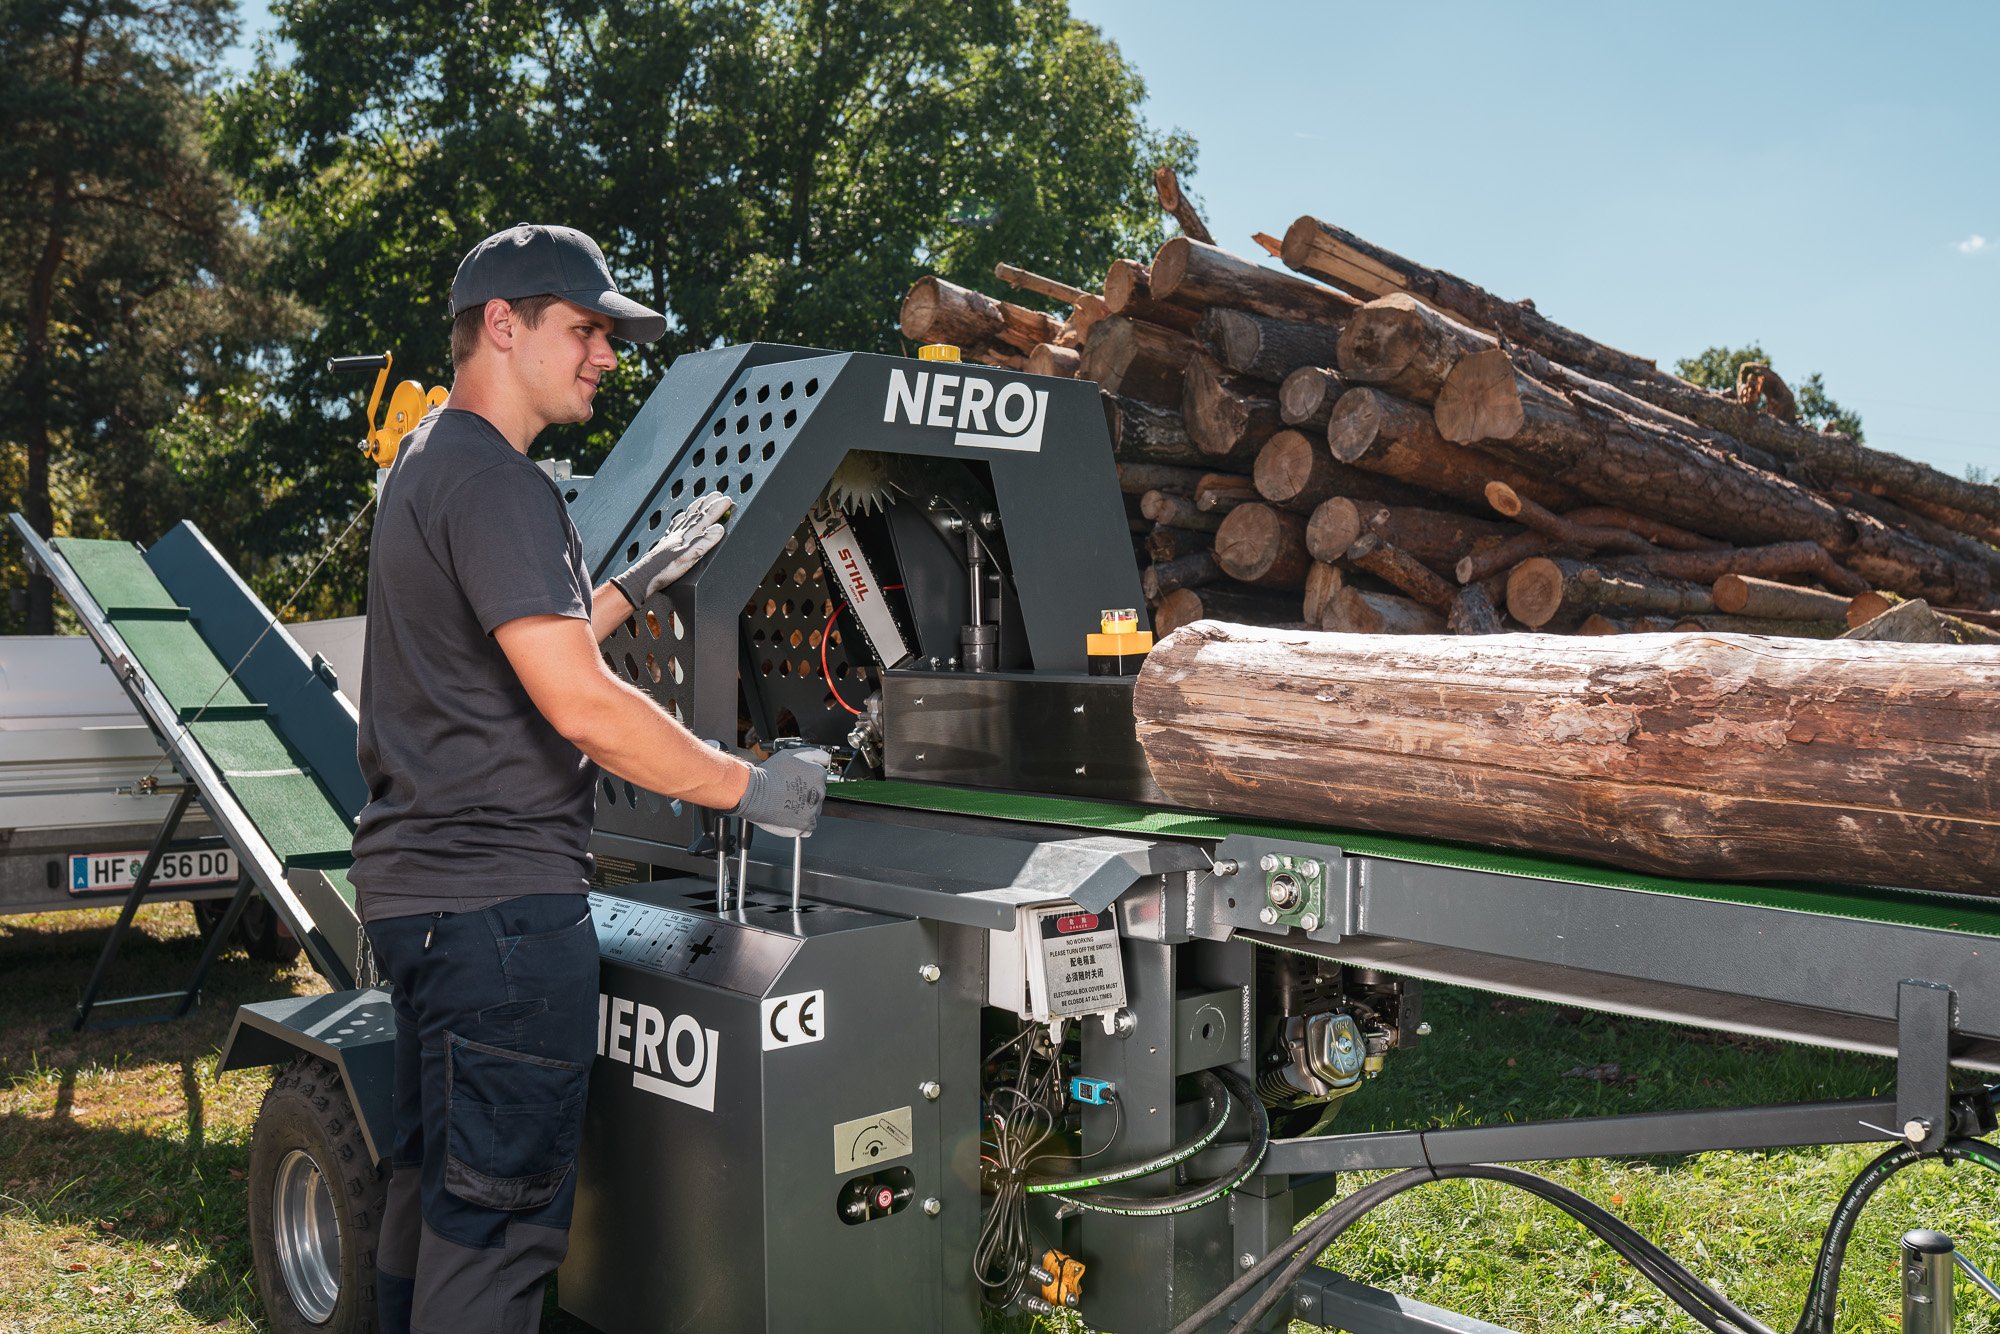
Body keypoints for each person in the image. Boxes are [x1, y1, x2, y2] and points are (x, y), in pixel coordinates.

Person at [349, 223, 825, 1334]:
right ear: (501, 326)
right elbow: (580, 704)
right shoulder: (499, 484)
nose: (605, 355)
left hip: (424, 907)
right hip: (502, 920)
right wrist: (744, 786)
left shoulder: (429, 463)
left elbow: (516, 654)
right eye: (583, 329)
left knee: (429, 1198)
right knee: (499, 1233)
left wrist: (633, 581)